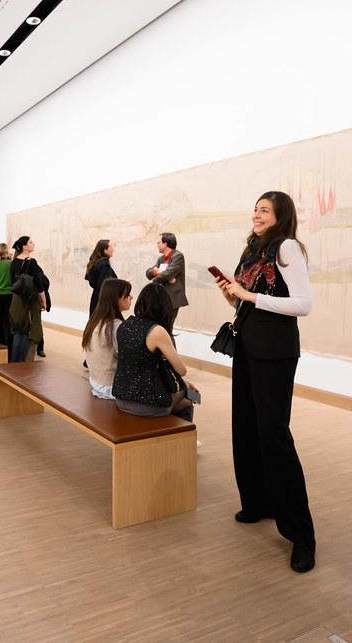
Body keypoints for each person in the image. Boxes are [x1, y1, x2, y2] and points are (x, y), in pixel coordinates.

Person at [215, 190, 316, 573]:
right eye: (255, 209)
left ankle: (302, 535)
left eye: (264, 210)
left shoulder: (287, 248)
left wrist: (249, 295)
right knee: (246, 428)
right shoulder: (251, 250)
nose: (256, 215)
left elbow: (303, 304)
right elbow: (248, 301)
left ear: (280, 215)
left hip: (275, 352)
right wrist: (234, 295)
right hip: (247, 346)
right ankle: (258, 503)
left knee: (274, 437)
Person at [112, 283, 196, 422]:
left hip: (121, 398)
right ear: (165, 306)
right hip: (149, 404)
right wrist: (186, 385)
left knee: (185, 391)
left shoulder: (124, 325)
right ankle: (182, 434)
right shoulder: (157, 331)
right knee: (189, 398)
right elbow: (182, 371)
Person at [81, 279, 132, 399]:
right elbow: (128, 357)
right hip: (110, 387)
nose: (131, 297)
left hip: (96, 382)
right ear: (116, 298)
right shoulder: (115, 325)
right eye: (127, 294)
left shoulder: (96, 320)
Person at [8, 236, 47, 362]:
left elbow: (12, 282)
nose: (33, 244)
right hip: (29, 301)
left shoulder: (14, 262)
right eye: (30, 242)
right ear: (24, 246)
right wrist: (44, 300)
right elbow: (39, 285)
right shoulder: (32, 262)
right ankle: (23, 364)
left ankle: (14, 362)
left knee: (18, 331)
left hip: (16, 301)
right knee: (28, 331)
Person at [145, 232, 188, 326]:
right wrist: (157, 272)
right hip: (160, 297)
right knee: (159, 325)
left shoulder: (178, 256)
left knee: (167, 326)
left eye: (158, 242)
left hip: (172, 297)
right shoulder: (161, 259)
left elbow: (167, 274)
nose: (157, 245)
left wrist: (157, 277)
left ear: (165, 244)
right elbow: (148, 273)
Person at [84, 239, 117, 316]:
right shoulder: (104, 265)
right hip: (103, 302)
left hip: (96, 299)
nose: (113, 249)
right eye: (111, 247)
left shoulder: (97, 263)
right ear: (105, 250)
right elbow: (105, 285)